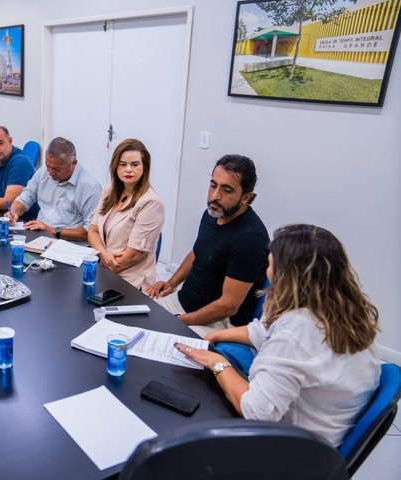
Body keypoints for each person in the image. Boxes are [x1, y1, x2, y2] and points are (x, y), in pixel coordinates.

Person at [175, 224, 380, 447]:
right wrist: (215, 336)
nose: (267, 265)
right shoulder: (343, 309)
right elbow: (263, 330)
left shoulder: (298, 332)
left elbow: (256, 412)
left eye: (271, 261)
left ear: (287, 274)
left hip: (289, 450)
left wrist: (218, 363)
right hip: (321, 433)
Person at [146, 155, 269, 337]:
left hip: (216, 323)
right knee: (132, 318)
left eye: (227, 190)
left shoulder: (250, 239)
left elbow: (229, 306)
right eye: (213, 185)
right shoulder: (213, 213)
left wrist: (180, 320)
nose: (215, 196)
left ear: (246, 197)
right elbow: (197, 252)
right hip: (183, 305)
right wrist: (171, 283)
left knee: (152, 346)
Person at [87, 139, 164, 290]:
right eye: (123, 164)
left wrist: (103, 259)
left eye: (135, 165)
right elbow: (93, 230)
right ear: (115, 167)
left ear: (144, 167)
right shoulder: (109, 190)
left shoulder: (151, 203)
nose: (128, 170)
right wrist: (104, 254)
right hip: (104, 268)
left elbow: (134, 256)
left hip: (130, 281)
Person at [7, 136, 102, 241]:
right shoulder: (44, 172)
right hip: (39, 236)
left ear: (74, 164)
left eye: (57, 169)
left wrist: (50, 229)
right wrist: (13, 212)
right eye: (48, 166)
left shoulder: (90, 187)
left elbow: (91, 232)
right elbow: (26, 197)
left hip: (69, 244)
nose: (50, 173)